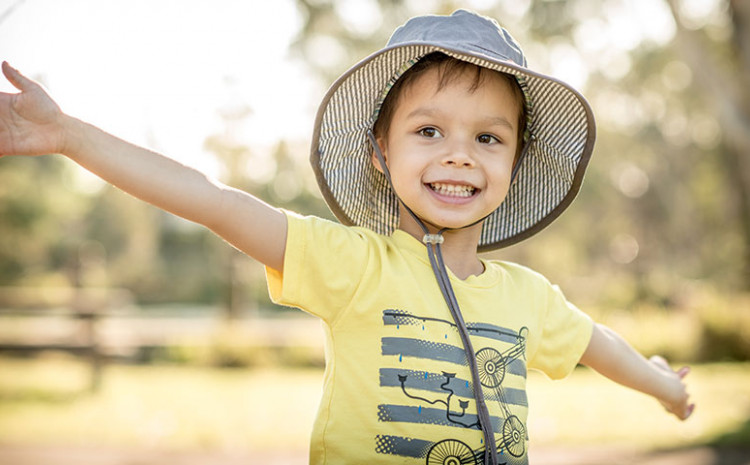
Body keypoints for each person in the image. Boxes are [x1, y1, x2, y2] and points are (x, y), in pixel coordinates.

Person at [0, 9, 693, 465]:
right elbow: (211, 201)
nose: (459, 154)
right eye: (429, 131)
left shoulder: (529, 298)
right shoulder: (352, 264)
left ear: (514, 163)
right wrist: (70, 136)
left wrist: (663, 384)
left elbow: (601, 345)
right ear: (380, 153)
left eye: (487, 137)